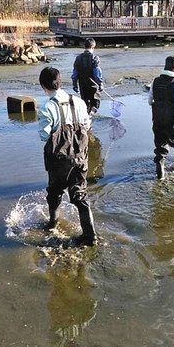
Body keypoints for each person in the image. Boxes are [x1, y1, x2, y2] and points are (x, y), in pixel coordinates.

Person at [38, 66, 97, 246]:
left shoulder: (48, 107)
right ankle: (90, 236)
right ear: (60, 82)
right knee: (80, 194)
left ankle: (52, 223)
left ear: (44, 86)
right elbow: (87, 125)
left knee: (55, 192)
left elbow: (43, 135)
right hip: (80, 156)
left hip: (59, 160)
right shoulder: (79, 102)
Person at [148, 55, 174, 180]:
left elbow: (150, 101)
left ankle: (160, 172)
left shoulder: (155, 81)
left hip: (157, 120)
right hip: (172, 121)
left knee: (160, 147)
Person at [72, 38, 103, 115]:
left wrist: (75, 85)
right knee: (95, 105)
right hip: (93, 86)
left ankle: (86, 118)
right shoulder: (95, 58)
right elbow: (97, 73)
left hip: (82, 85)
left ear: (84, 46)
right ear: (93, 47)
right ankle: (90, 117)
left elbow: (74, 75)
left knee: (85, 104)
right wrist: (100, 84)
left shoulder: (78, 58)